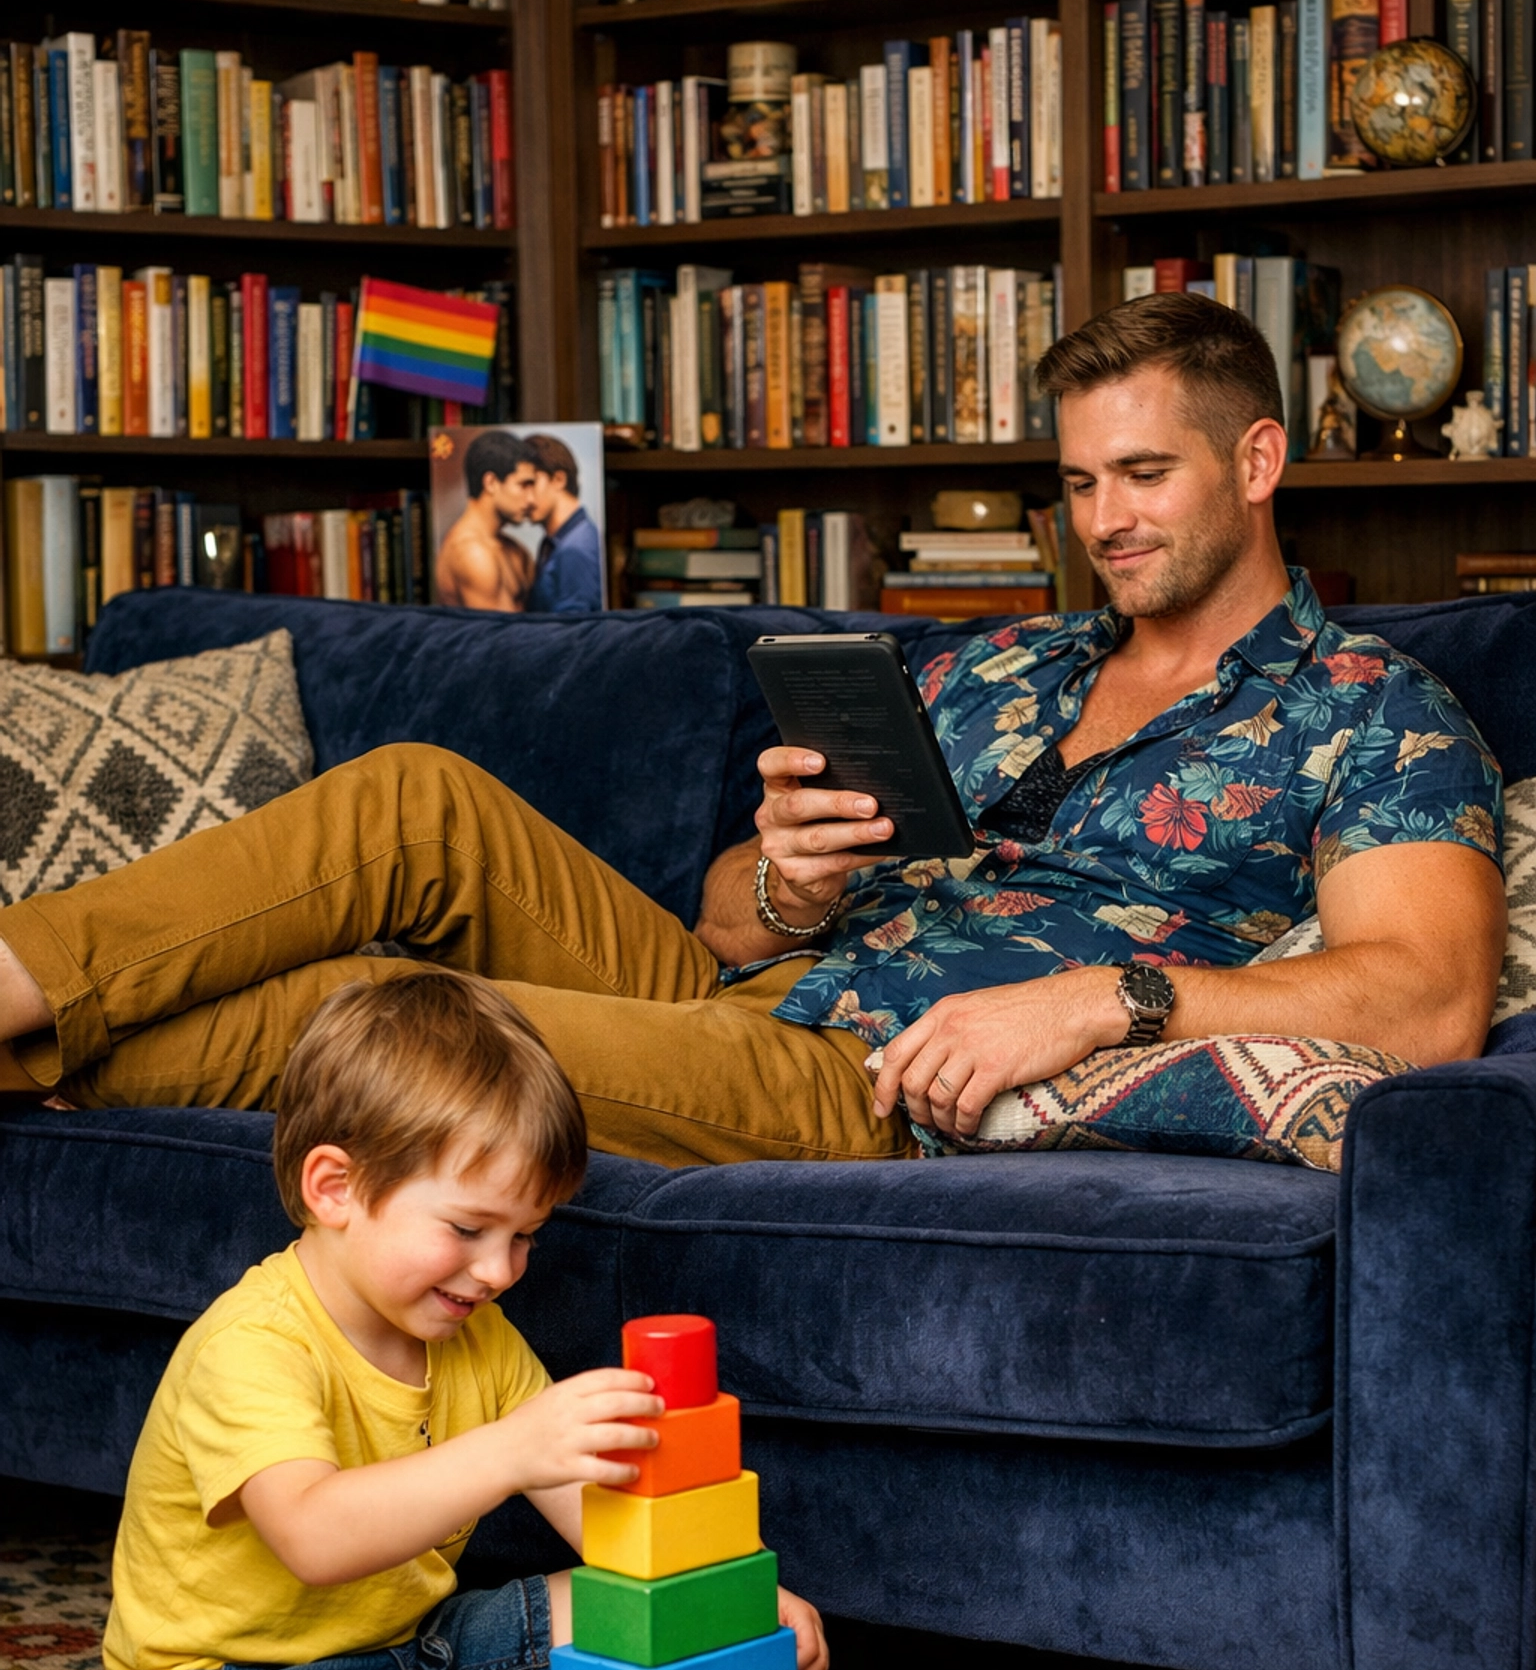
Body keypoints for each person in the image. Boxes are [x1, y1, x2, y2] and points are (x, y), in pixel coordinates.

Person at [0, 294, 1506, 1163]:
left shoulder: (1370, 709)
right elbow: (724, 926)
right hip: (758, 988)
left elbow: (1429, 1001)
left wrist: (1111, 1000)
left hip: (859, 1080)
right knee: (409, 798)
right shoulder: (994, 665)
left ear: (1257, 459)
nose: (1104, 521)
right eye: (1080, 483)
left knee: (392, 1012)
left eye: (1145, 475)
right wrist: (790, 875)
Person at [100, 970, 829, 1670]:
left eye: (526, 1236)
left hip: (423, 1654)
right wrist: (513, 1449)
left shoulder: (475, 1340)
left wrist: (728, 1603)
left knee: (652, 1625)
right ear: (336, 1187)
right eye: (467, 1229)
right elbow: (315, 1536)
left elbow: (609, 1533)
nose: (499, 1273)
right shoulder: (253, 1346)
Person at [433, 429, 537, 611]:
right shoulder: (471, 553)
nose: (531, 499)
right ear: (491, 483)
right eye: (523, 485)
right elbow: (498, 637)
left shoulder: (514, 549)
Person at [521, 434, 605, 613]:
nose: (524, 497)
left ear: (559, 480)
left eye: (530, 484)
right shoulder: (562, 540)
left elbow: (572, 632)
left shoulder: (574, 548)